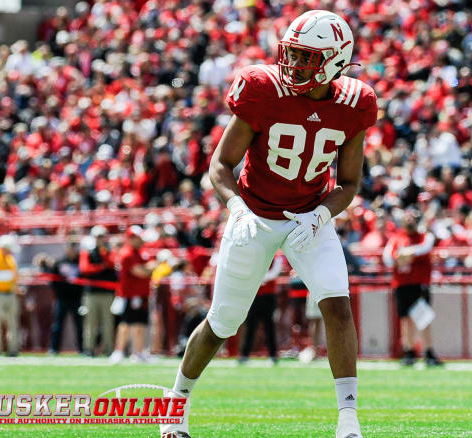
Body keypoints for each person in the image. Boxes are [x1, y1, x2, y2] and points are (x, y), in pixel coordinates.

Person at [160, 10, 377, 438]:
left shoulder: (356, 103)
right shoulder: (263, 89)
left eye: (307, 57)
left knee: (337, 304)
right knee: (223, 321)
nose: (293, 65)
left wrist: (322, 214)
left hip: (308, 218)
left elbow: (349, 182)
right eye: (292, 54)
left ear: (336, 61)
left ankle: (348, 420)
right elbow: (221, 164)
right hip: (255, 216)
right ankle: (175, 405)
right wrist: (236, 208)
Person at [382, 210, 443, 367]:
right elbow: (388, 258)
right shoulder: (396, 238)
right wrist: (401, 257)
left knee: (423, 318)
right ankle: (409, 351)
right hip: (402, 283)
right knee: (405, 319)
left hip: (418, 283)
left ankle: (428, 351)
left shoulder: (424, 236)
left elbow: (425, 248)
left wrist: (407, 253)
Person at [110, 226, 156, 364]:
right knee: (126, 324)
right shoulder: (127, 253)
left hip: (141, 294)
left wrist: (148, 268)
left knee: (140, 325)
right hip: (130, 295)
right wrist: (150, 268)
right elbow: (139, 271)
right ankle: (118, 351)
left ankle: (139, 352)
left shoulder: (139, 252)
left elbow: (145, 268)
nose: (142, 240)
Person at [79, 225, 117, 356]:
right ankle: (89, 349)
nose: (100, 239)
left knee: (108, 323)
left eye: (102, 236)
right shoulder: (87, 252)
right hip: (92, 293)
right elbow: (85, 269)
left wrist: (104, 257)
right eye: (98, 236)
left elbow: (112, 264)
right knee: (90, 323)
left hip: (107, 293)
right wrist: (101, 266)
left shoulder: (109, 251)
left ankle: (108, 349)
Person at [239, 255, 283, 364]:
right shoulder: (254, 254)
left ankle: (273, 355)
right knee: (250, 326)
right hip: (253, 295)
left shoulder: (276, 257)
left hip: (268, 296)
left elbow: (275, 272)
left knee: (269, 326)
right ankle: (244, 355)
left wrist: (259, 278)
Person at [42, 242, 84, 354]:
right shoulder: (60, 262)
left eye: (75, 248)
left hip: (76, 298)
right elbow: (53, 279)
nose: (73, 250)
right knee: (58, 325)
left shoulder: (80, 262)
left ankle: (82, 349)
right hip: (62, 298)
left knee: (79, 325)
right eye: (71, 247)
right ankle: (54, 348)